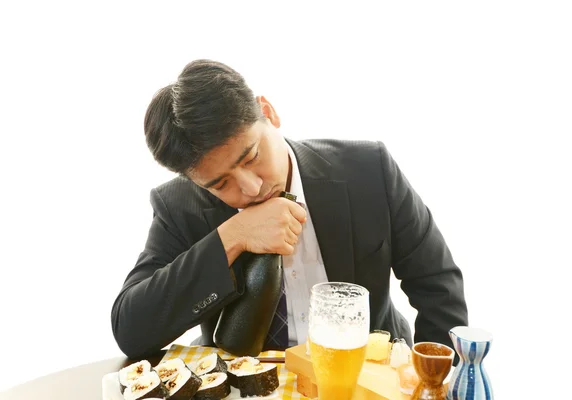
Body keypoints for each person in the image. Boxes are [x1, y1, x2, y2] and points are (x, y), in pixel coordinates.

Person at [110, 59, 468, 360]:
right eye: (220, 184)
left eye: (251, 156)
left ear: (267, 112)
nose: (250, 188)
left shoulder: (368, 169)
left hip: (364, 374)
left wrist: (431, 380)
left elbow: (437, 283)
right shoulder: (179, 206)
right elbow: (131, 329)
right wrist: (231, 238)